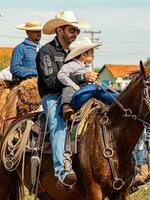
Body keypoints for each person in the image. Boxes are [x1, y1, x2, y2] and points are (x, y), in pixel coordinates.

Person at [36, 11, 98, 186]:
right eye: (72, 30)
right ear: (59, 30)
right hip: (53, 96)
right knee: (58, 122)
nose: (76, 34)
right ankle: (62, 171)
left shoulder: (77, 51)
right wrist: (81, 78)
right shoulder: (46, 52)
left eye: (77, 31)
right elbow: (49, 82)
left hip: (77, 92)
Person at [57, 36, 101, 121]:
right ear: (83, 55)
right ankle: (66, 107)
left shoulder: (88, 67)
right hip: (75, 87)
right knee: (68, 89)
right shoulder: (71, 65)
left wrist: (95, 82)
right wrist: (73, 84)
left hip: (85, 88)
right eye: (91, 53)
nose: (93, 55)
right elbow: (61, 75)